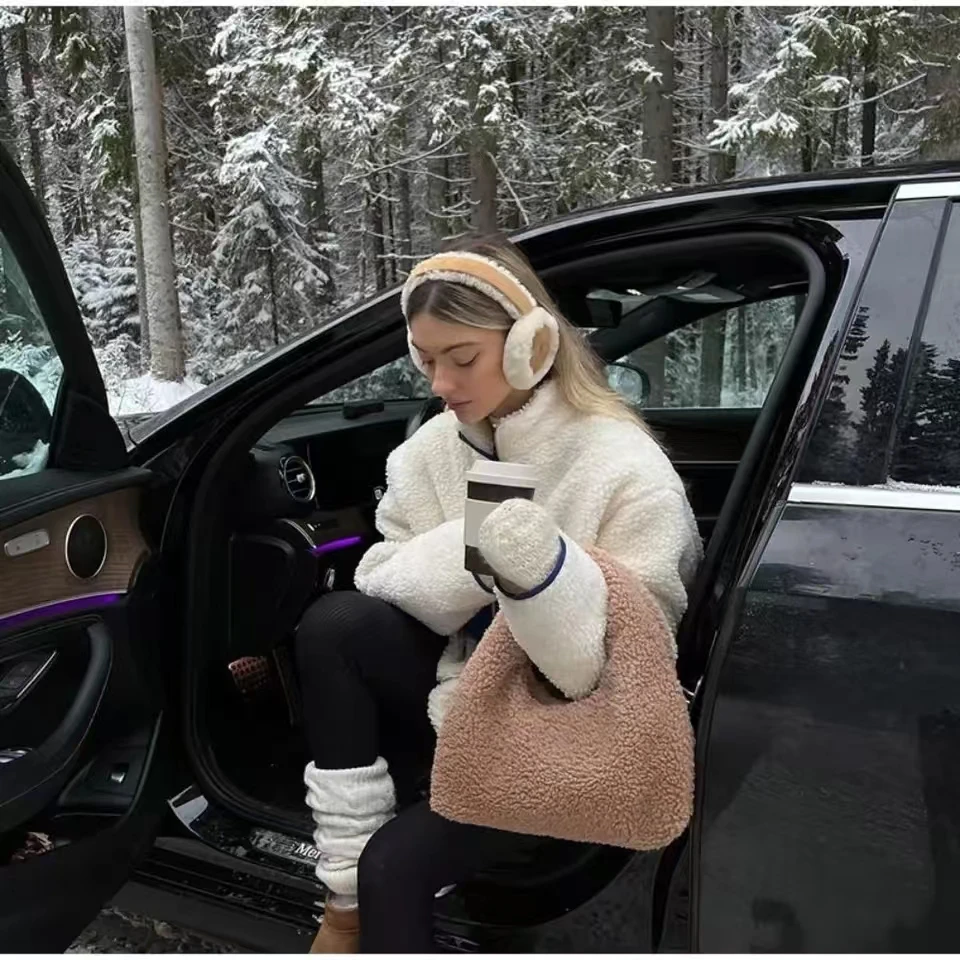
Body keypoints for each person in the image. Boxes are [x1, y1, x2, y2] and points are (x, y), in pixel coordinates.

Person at [295, 236, 703, 953]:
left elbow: (619, 665)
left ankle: (379, 879)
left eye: (463, 358)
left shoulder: (625, 469)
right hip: (461, 692)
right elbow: (381, 571)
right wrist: (472, 553)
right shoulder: (431, 450)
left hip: (563, 731)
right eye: (426, 359)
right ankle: (346, 902)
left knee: (395, 863)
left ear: (529, 345)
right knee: (335, 625)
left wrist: (539, 574)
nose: (442, 384)